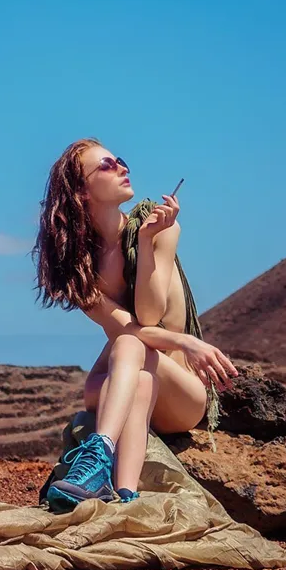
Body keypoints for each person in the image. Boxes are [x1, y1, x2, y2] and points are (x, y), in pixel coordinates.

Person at [31, 138, 240, 512]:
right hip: (117, 381)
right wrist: (187, 340)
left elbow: (147, 315)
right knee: (134, 361)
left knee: (131, 346)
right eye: (107, 165)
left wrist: (144, 242)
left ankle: (97, 457)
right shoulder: (78, 266)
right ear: (81, 191)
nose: (122, 168)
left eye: (121, 160)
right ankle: (124, 493)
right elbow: (126, 329)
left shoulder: (159, 228)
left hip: (181, 390)